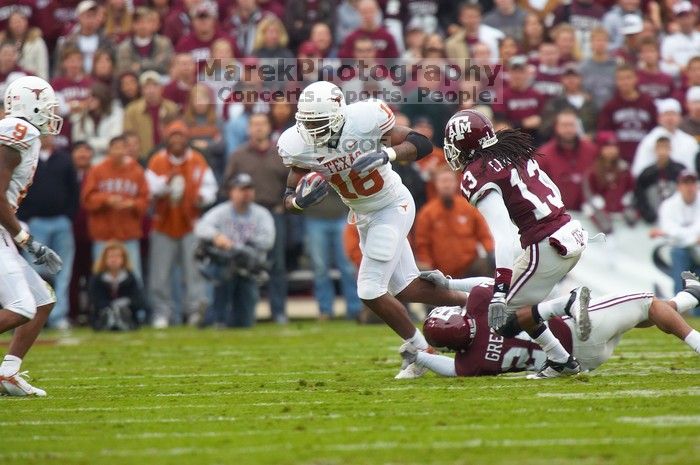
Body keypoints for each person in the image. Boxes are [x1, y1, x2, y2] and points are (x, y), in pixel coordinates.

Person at [278, 81, 467, 378]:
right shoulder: (297, 144)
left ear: (338, 114)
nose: (313, 130)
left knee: (369, 289)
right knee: (408, 288)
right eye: (308, 122)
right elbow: (288, 195)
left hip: (392, 206)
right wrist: (298, 203)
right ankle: (479, 301)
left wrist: (387, 155)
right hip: (364, 215)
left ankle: (420, 350)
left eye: (319, 122)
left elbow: (422, 143)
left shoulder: (365, 120)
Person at [443, 108, 592, 379]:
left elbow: (502, 235)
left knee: (503, 319)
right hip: (569, 230)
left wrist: (500, 291)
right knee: (513, 305)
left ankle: (566, 305)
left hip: (545, 244)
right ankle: (560, 360)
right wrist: (449, 284)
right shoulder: (510, 149)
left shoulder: (477, 172)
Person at [409, 272, 700, 377]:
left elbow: (452, 370)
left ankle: (689, 297)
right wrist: (449, 282)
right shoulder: (479, 305)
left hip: (584, 361)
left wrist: (418, 355)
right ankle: (696, 339)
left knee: (636, 316)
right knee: (647, 303)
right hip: (578, 328)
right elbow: (489, 284)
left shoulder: (469, 362)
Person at [0, 76, 64, 396]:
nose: (52, 113)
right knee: (21, 307)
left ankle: (7, 373)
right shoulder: (19, 131)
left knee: (42, 300)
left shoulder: (25, 134)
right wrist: (26, 240)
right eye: (47, 106)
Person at [146, 119, 217, 328]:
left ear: (187, 139)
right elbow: (148, 188)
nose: (176, 140)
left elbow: (210, 187)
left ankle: (195, 310)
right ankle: (162, 312)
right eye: (173, 136)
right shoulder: (157, 161)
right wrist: (164, 185)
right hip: (163, 222)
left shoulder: (197, 160)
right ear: (167, 139)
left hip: (190, 222)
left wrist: (202, 198)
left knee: (193, 270)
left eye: (180, 136)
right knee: (160, 272)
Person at [194, 173, 275, 328]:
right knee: (222, 275)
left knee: (245, 322)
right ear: (231, 192)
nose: (246, 193)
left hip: (248, 269)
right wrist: (216, 236)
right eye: (242, 189)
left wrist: (237, 247)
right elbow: (200, 227)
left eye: (249, 189)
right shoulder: (221, 212)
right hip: (224, 267)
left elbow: (267, 241)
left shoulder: (262, 214)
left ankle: (222, 317)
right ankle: (213, 317)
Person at [17, 135, 79, 329]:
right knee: (32, 271)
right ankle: (32, 316)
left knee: (63, 270)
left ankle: (58, 316)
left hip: (61, 221)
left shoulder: (64, 159)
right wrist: (26, 217)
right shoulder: (28, 159)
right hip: (36, 223)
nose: (46, 137)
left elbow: (74, 191)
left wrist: (68, 216)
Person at [81, 135, 149, 282]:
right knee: (101, 277)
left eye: (122, 147)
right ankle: (101, 305)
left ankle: (134, 306)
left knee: (134, 277)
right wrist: (107, 200)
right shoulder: (97, 170)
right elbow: (87, 199)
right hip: (104, 235)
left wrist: (132, 204)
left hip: (128, 234)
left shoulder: (137, 171)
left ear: (127, 150)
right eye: (115, 147)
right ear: (109, 150)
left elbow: (145, 201)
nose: (119, 151)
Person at [415, 168, 494, 278]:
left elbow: (484, 234)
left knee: (491, 263)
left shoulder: (467, 207)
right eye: (443, 181)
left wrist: (491, 251)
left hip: (470, 267)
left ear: (456, 183)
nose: (446, 185)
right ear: (436, 184)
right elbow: (422, 245)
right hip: (441, 272)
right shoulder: (427, 213)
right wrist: (427, 267)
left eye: (450, 181)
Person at [304, 190, 362, 321]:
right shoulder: (306, 168)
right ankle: (325, 310)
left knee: (348, 266)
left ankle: (355, 309)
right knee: (320, 268)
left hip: (341, 216)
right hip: (315, 217)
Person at [537, 110, 599, 211]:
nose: (568, 129)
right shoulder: (543, 155)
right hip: (558, 215)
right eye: (564, 125)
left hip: (590, 213)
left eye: (572, 125)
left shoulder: (592, 151)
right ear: (556, 127)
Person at [597, 64, 657, 163]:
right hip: (619, 158)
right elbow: (604, 134)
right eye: (621, 79)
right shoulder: (610, 106)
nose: (625, 82)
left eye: (628, 78)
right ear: (616, 81)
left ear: (636, 79)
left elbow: (655, 130)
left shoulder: (648, 103)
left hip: (645, 156)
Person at [653, 171, 700, 294]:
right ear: (679, 186)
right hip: (679, 249)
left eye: (692, 183)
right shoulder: (669, 205)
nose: (689, 187)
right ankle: (680, 306)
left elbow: (675, 232)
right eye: (686, 183)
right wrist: (693, 239)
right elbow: (670, 230)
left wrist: (684, 235)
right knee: (679, 255)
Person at [631, 98, 698, 177]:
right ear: (659, 118)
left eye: (673, 114)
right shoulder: (649, 141)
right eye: (666, 114)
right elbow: (638, 171)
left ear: (680, 117)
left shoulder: (690, 141)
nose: (670, 118)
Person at [88, 241, 145, 331]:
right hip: (103, 313)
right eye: (111, 256)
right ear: (104, 259)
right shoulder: (97, 279)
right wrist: (111, 306)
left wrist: (125, 303)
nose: (114, 260)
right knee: (106, 312)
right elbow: (95, 301)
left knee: (124, 311)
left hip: (127, 313)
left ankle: (122, 321)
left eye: (117, 256)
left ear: (123, 259)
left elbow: (139, 301)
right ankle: (108, 321)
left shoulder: (130, 278)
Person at [122, 70, 179, 157]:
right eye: (146, 87)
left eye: (155, 86)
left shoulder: (171, 108)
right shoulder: (132, 110)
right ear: (141, 90)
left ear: (161, 88)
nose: (151, 90)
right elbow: (128, 136)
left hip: (168, 156)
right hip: (143, 157)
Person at [635, 136, 686, 224]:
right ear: (655, 149)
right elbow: (640, 197)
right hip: (653, 219)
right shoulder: (646, 173)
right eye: (660, 147)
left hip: (678, 220)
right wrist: (648, 215)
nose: (662, 151)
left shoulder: (680, 171)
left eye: (665, 147)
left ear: (670, 149)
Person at [116, 6, 174, 76]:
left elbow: (166, 67)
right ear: (133, 25)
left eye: (146, 22)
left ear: (152, 24)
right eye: (138, 22)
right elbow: (125, 70)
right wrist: (154, 62)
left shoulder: (164, 43)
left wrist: (140, 65)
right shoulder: (124, 47)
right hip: (135, 83)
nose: (143, 26)